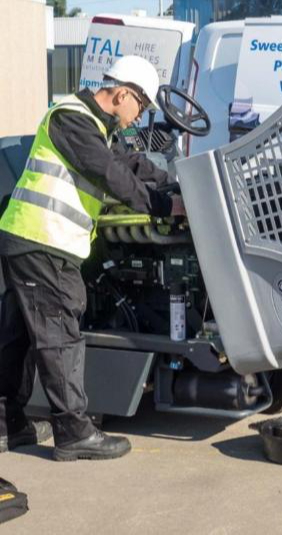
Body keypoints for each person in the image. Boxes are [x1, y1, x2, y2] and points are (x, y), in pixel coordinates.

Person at [0, 55, 184, 461]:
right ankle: (74, 432)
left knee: (20, 337)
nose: (139, 117)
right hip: (42, 240)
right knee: (58, 333)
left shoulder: (97, 128)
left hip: (32, 239)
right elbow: (110, 175)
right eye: (141, 106)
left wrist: (177, 183)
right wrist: (162, 207)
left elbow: (130, 164)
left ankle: (7, 422)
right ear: (121, 94)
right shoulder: (71, 118)